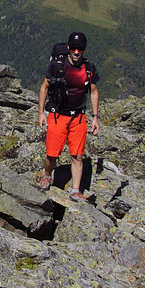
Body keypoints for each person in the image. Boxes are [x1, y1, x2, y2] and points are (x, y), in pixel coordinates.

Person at [37, 31, 100, 202]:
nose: (77, 52)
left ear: (84, 49)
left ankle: (75, 190)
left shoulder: (89, 68)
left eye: (80, 49)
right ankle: (48, 175)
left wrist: (94, 116)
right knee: (52, 154)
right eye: (73, 48)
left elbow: (93, 92)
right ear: (68, 48)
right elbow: (44, 87)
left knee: (77, 155)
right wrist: (41, 113)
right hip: (58, 115)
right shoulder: (57, 66)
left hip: (78, 118)